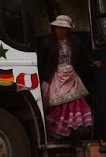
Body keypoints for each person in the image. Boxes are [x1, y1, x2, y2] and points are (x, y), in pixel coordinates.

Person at [36, 14, 99, 145]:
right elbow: (42, 61)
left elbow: (83, 55)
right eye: (58, 28)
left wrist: (92, 61)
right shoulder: (47, 42)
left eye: (63, 28)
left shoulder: (75, 41)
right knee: (58, 106)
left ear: (68, 30)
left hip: (72, 76)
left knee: (74, 103)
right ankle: (57, 134)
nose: (60, 31)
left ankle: (74, 134)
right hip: (54, 76)